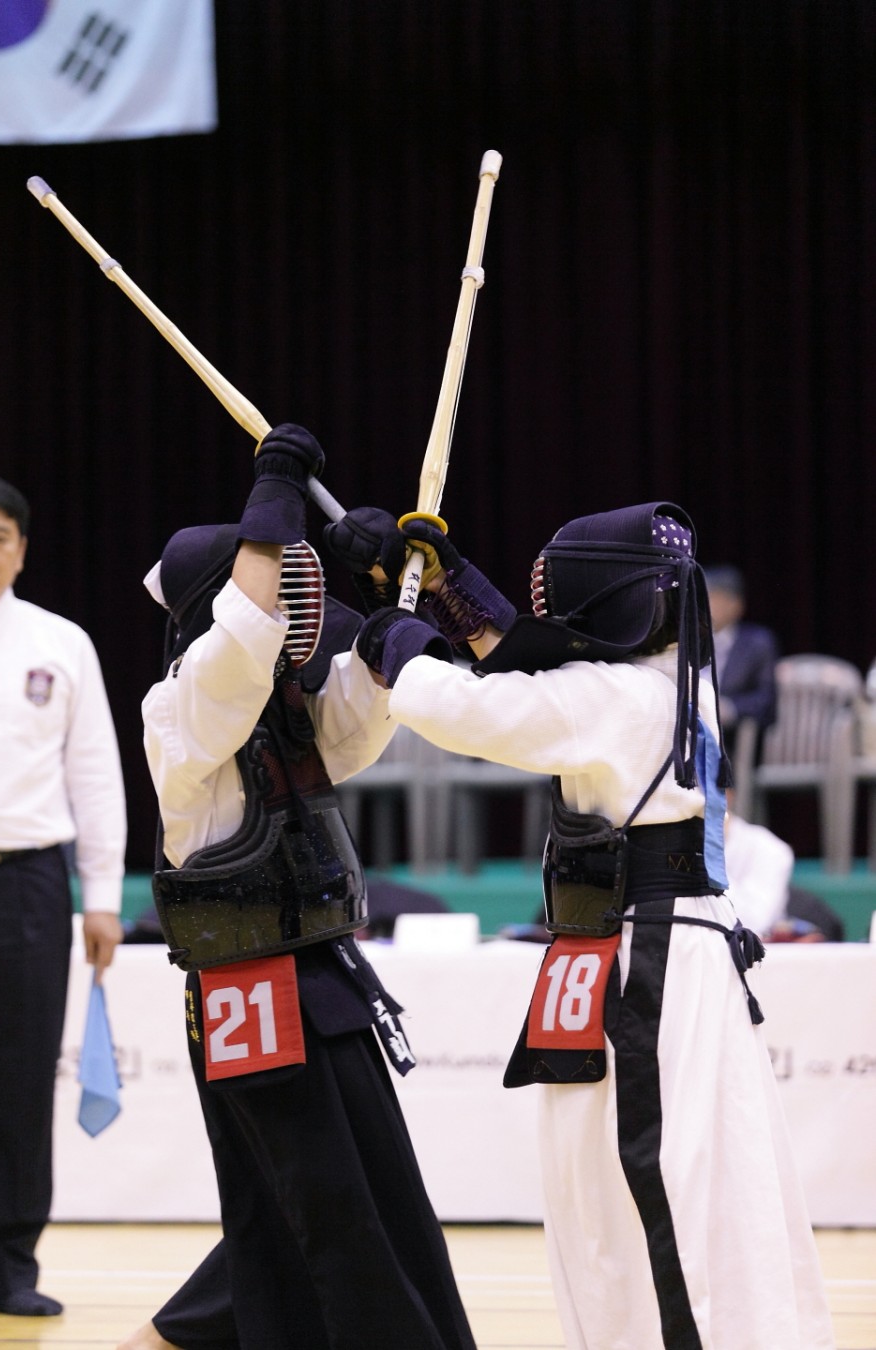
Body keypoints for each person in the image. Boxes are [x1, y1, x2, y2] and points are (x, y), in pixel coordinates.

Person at [350, 503, 835, 1349]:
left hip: (646, 959)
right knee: (671, 1179)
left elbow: (471, 706)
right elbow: (533, 653)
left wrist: (392, 633)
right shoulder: (669, 676)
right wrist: (448, 580)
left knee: (642, 1182)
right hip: (657, 950)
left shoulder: (613, 697)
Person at [122, 427, 475, 1350]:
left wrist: (388, 593)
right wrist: (275, 490)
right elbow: (240, 644)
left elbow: (365, 709)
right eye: (282, 582)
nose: (294, 607)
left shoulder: (287, 710)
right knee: (325, 1209)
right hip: (246, 989)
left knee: (371, 1192)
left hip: (323, 976)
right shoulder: (180, 708)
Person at [0, 469, 126, 1317]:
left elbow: (95, 774)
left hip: (26, 883)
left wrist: (100, 893)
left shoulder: (60, 643)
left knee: (21, 1080)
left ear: (22, 551)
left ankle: (10, 1264)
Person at [724, 790, 845, 942]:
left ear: (726, 794)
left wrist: (704, 859)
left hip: (758, 953)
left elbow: (753, 925)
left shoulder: (769, 848)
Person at [704, 563, 779, 757]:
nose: (704, 605)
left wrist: (729, 709)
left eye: (713, 598)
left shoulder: (757, 642)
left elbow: (766, 699)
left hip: (732, 738)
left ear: (735, 605)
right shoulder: (686, 641)